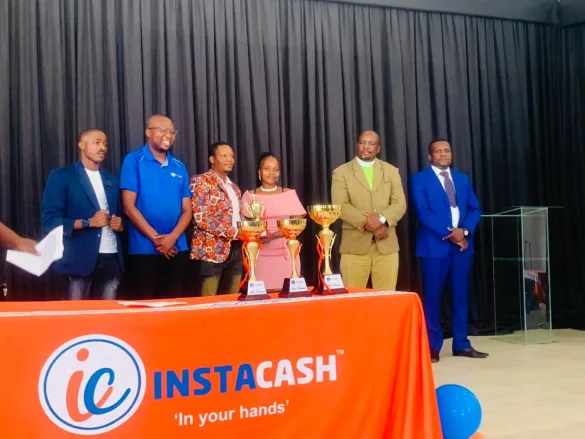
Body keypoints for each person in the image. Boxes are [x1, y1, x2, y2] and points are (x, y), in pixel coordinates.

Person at [410, 138, 489, 362]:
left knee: (461, 296)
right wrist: (453, 235)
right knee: (432, 298)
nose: (443, 154)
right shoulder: (419, 179)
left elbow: (474, 208)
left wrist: (464, 231)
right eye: (438, 151)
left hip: (462, 248)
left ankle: (461, 344)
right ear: (430, 157)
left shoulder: (462, 179)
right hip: (434, 248)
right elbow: (422, 212)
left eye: (447, 150)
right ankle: (432, 346)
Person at [41, 129, 124, 300]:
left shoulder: (112, 180)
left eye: (105, 144)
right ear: (81, 145)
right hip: (78, 260)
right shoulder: (62, 176)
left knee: (108, 315)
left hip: (111, 257)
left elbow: (122, 217)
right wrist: (88, 222)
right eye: (97, 142)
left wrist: (120, 225)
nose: (103, 147)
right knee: (76, 314)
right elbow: (50, 221)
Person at [120, 115, 191, 299]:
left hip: (177, 248)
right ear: (148, 132)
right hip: (143, 249)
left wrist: (171, 239)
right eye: (162, 130)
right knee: (146, 306)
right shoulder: (134, 160)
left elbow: (187, 210)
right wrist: (158, 240)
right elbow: (128, 207)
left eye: (172, 132)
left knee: (174, 306)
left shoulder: (179, 166)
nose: (168, 135)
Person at [331, 130, 406, 290]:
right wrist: (374, 225)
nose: (366, 147)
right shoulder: (341, 172)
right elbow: (340, 206)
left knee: (386, 300)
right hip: (354, 247)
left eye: (371, 144)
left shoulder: (391, 171)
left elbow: (399, 204)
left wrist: (381, 220)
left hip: (386, 245)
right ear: (357, 145)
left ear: (378, 148)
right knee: (353, 299)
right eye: (362, 142)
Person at [240, 152, 306, 291]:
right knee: (261, 297)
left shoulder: (289, 194)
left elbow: (297, 224)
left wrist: (274, 235)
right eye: (267, 168)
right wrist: (257, 235)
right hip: (259, 255)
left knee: (288, 296)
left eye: (276, 169)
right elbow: (245, 225)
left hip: (286, 255)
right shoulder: (249, 195)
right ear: (259, 171)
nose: (271, 173)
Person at [190, 142, 243, 296]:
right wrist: (235, 232)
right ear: (212, 159)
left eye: (231, 156)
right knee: (208, 300)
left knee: (233, 299)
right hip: (210, 250)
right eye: (224, 156)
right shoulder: (200, 181)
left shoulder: (234, 188)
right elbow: (201, 218)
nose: (229, 160)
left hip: (236, 248)